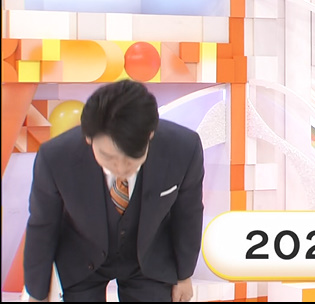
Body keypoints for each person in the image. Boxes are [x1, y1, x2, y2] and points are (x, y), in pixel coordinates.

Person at [24, 80, 205, 302]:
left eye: (131, 159)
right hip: (80, 257)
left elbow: (188, 214)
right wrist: (37, 293)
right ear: (88, 138)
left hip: (149, 258)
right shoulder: (56, 157)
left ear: (150, 135)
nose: (120, 168)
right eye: (108, 157)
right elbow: (43, 224)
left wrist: (184, 275)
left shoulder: (183, 148)